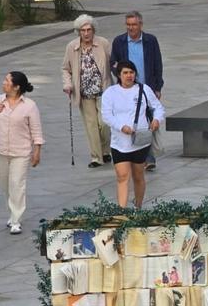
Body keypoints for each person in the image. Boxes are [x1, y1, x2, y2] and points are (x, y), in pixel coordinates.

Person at [0, 71, 43, 235]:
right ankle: (12, 212)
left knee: (17, 184)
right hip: (0, 151)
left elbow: (36, 131)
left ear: (16, 87)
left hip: (21, 152)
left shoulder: (29, 105)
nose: (4, 83)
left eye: (7, 81)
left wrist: (37, 151)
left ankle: (16, 220)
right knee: (5, 185)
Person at [102, 60, 161, 209]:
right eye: (125, 73)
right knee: (122, 176)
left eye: (131, 72)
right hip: (119, 143)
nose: (129, 76)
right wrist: (121, 127)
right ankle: (122, 211)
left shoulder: (143, 89)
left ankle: (138, 206)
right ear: (119, 75)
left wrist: (156, 119)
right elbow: (107, 115)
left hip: (140, 142)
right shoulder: (110, 93)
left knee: (138, 176)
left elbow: (158, 107)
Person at [110, 12, 164, 171]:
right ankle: (135, 155)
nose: (131, 28)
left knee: (149, 121)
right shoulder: (119, 41)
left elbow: (157, 64)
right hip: (128, 89)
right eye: (128, 25)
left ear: (140, 25)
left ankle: (149, 157)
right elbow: (113, 62)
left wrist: (157, 87)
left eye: (134, 25)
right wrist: (119, 73)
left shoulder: (150, 41)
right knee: (134, 120)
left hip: (147, 88)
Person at [61, 14, 112, 168]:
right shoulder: (72, 47)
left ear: (93, 30)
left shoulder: (103, 43)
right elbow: (65, 68)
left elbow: (114, 62)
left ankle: (105, 150)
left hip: (104, 90)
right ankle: (96, 157)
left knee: (104, 124)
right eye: (83, 30)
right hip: (84, 92)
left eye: (89, 29)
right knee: (91, 125)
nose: (86, 33)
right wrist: (67, 84)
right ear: (78, 32)